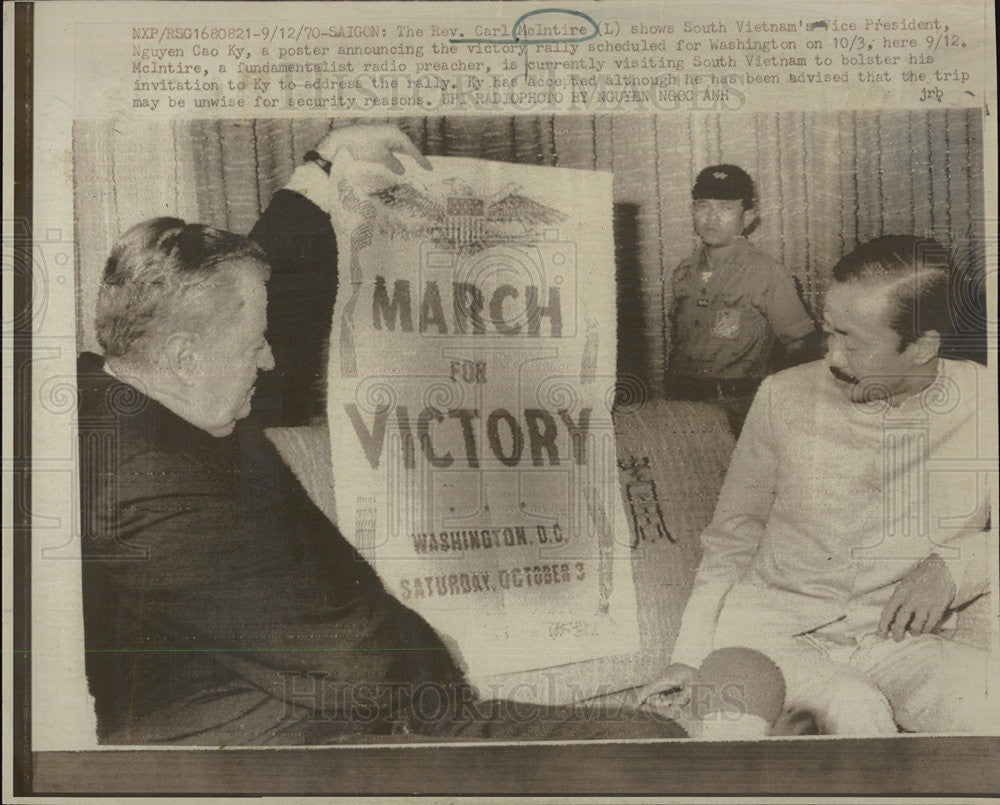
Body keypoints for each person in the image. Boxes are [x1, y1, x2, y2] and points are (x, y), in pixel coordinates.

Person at [78, 126, 686, 745]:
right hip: (291, 742)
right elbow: (366, 677)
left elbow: (244, 290)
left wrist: (327, 163)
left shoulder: (122, 386)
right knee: (655, 748)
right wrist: (452, 674)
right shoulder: (153, 486)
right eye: (253, 344)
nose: (267, 359)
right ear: (183, 357)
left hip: (324, 702)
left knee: (646, 738)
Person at [643, 235, 995, 735]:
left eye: (852, 340)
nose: (831, 355)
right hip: (775, 636)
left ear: (922, 347)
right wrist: (689, 657)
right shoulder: (782, 396)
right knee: (856, 709)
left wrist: (958, 563)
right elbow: (730, 540)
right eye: (830, 332)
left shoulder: (986, 399)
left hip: (895, 642)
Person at [665, 164, 818, 435]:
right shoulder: (684, 272)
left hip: (739, 412)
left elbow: (800, 346)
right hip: (685, 406)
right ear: (692, 211)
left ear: (748, 217)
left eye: (725, 208)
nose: (711, 218)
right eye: (703, 206)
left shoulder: (767, 274)